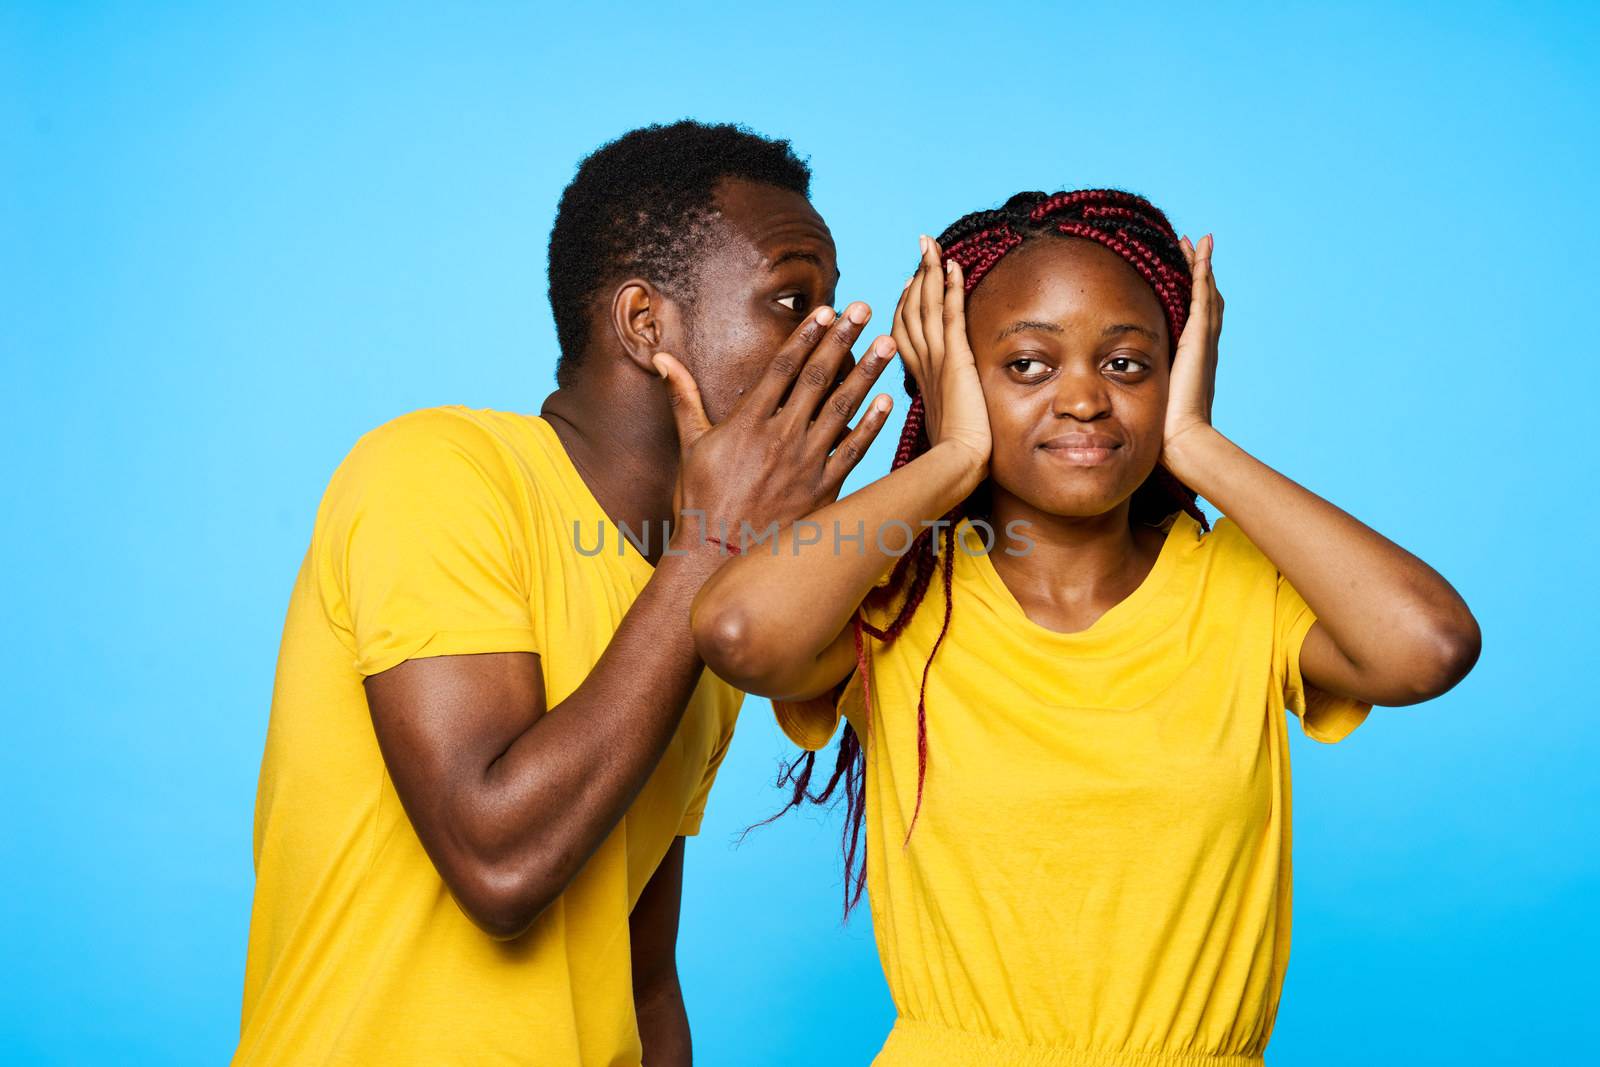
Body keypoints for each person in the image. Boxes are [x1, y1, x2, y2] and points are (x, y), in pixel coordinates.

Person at [691, 189, 1481, 1066]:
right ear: (954, 377)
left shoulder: (1241, 590)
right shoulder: (899, 601)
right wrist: (952, 458)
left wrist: (1198, 445)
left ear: (1180, 370)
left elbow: (1429, 645)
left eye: (1128, 365)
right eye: (1028, 364)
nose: (1083, 400)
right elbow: (735, 630)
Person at [233, 120, 897, 1066]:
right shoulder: (435, 473)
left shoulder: (701, 592)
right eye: (792, 300)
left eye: (831, 303)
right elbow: (499, 863)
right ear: (643, 324)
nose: (831, 336)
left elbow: (642, 969)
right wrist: (713, 543)